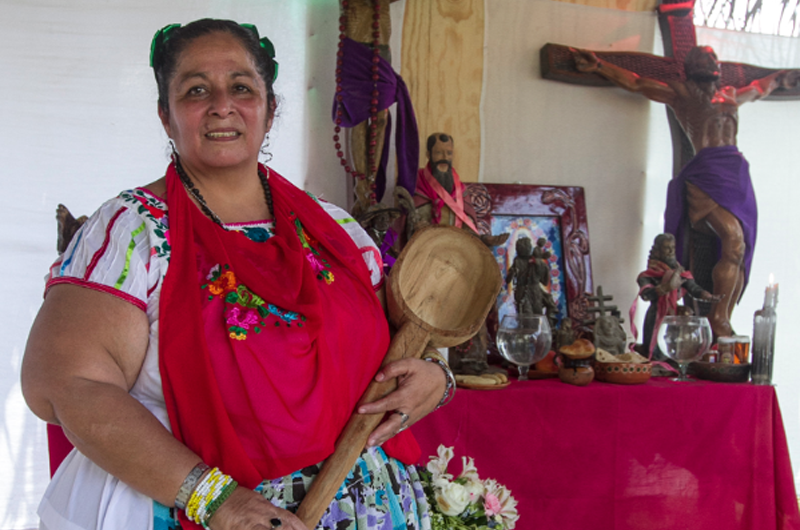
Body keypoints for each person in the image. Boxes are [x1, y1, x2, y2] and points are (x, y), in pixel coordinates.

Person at [22, 19, 453, 530]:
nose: (222, 104)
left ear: (269, 110)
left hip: (366, 508)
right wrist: (217, 500)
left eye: (242, 88)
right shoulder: (132, 231)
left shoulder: (336, 231)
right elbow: (65, 383)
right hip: (204, 509)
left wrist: (436, 380)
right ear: (166, 116)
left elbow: (404, 350)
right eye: (196, 89)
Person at [572, 45, 798, 338]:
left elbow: (761, 87)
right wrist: (600, 65)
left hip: (736, 173)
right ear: (690, 67)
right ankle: (717, 318)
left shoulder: (731, 94)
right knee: (733, 236)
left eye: (714, 57)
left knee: (739, 247)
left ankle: (723, 316)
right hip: (705, 172)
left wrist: (781, 77)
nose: (711, 60)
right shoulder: (681, 93)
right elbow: (637, 82)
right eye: (703, 57)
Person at [634, 234, 719, 359]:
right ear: (657, 251)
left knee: (679, 334)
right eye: (666, 248)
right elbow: (646, 295)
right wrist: (667, 287)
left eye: (673, 248)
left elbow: (693, 288)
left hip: (674, 314)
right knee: (655, 350)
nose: (671, 251)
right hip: (656, 314)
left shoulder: (680, 272)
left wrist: (706, 296)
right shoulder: (647, 275)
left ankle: (679, 358)